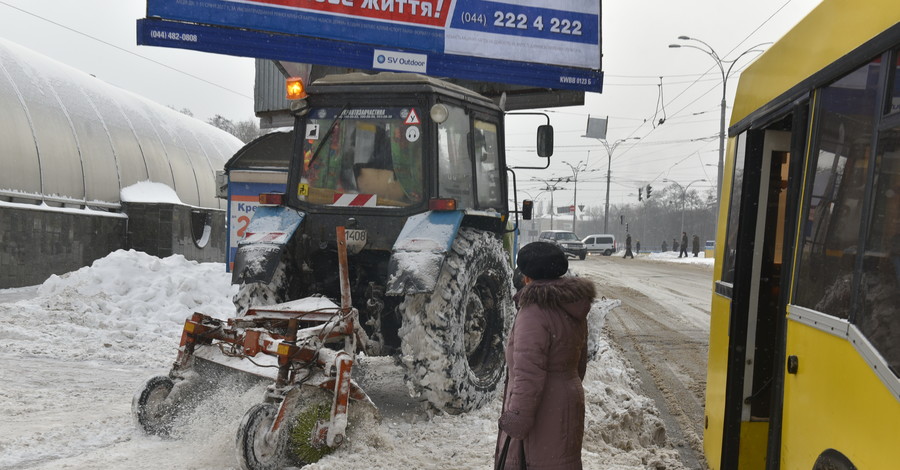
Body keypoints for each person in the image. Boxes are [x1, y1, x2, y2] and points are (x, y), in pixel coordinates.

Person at [496, 242, 595, 470]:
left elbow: (528, 374)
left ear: (527, 277)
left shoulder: (533, 311)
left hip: (542, 411)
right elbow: (580, 362)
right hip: (567, 403)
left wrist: (517, 418)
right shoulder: (572, 303)